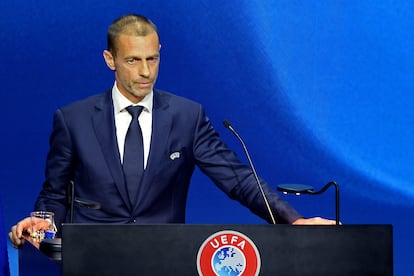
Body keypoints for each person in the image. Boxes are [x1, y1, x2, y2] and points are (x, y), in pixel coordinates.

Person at [9, 13, 335, 248]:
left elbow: (238, 179)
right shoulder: (73, 119)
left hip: (163, 264)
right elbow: (54, 193)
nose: (146, 72)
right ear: (110, 59)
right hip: (91, 264)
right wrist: (44, 222)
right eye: (133, 60)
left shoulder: (186, 117)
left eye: (152, 58)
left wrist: (293, 220)